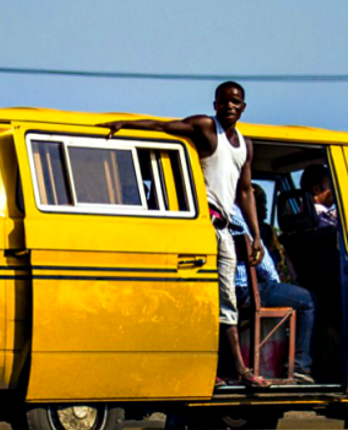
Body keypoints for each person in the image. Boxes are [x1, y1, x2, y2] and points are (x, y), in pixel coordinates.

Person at [97, 81, 269, 387]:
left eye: (236, 102)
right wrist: (126, 124)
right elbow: (164, 127)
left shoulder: (245, 145)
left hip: (225, 231)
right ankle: (211, 369)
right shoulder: (205, 127)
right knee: (198, 298)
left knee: (226, 301)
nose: (230, 106)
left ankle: (238, 370)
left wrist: (256, 236)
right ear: (215, 104)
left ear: (243, 108)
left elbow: (245, 192)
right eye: (224, 101)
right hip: (201, 225)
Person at [230, 206, 317, 384]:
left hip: (228, 290)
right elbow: (263, 264)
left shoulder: (220, 214)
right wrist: (277, 285)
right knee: (308, 300)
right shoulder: (238, 215)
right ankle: (300, 366)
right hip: (246, 288)